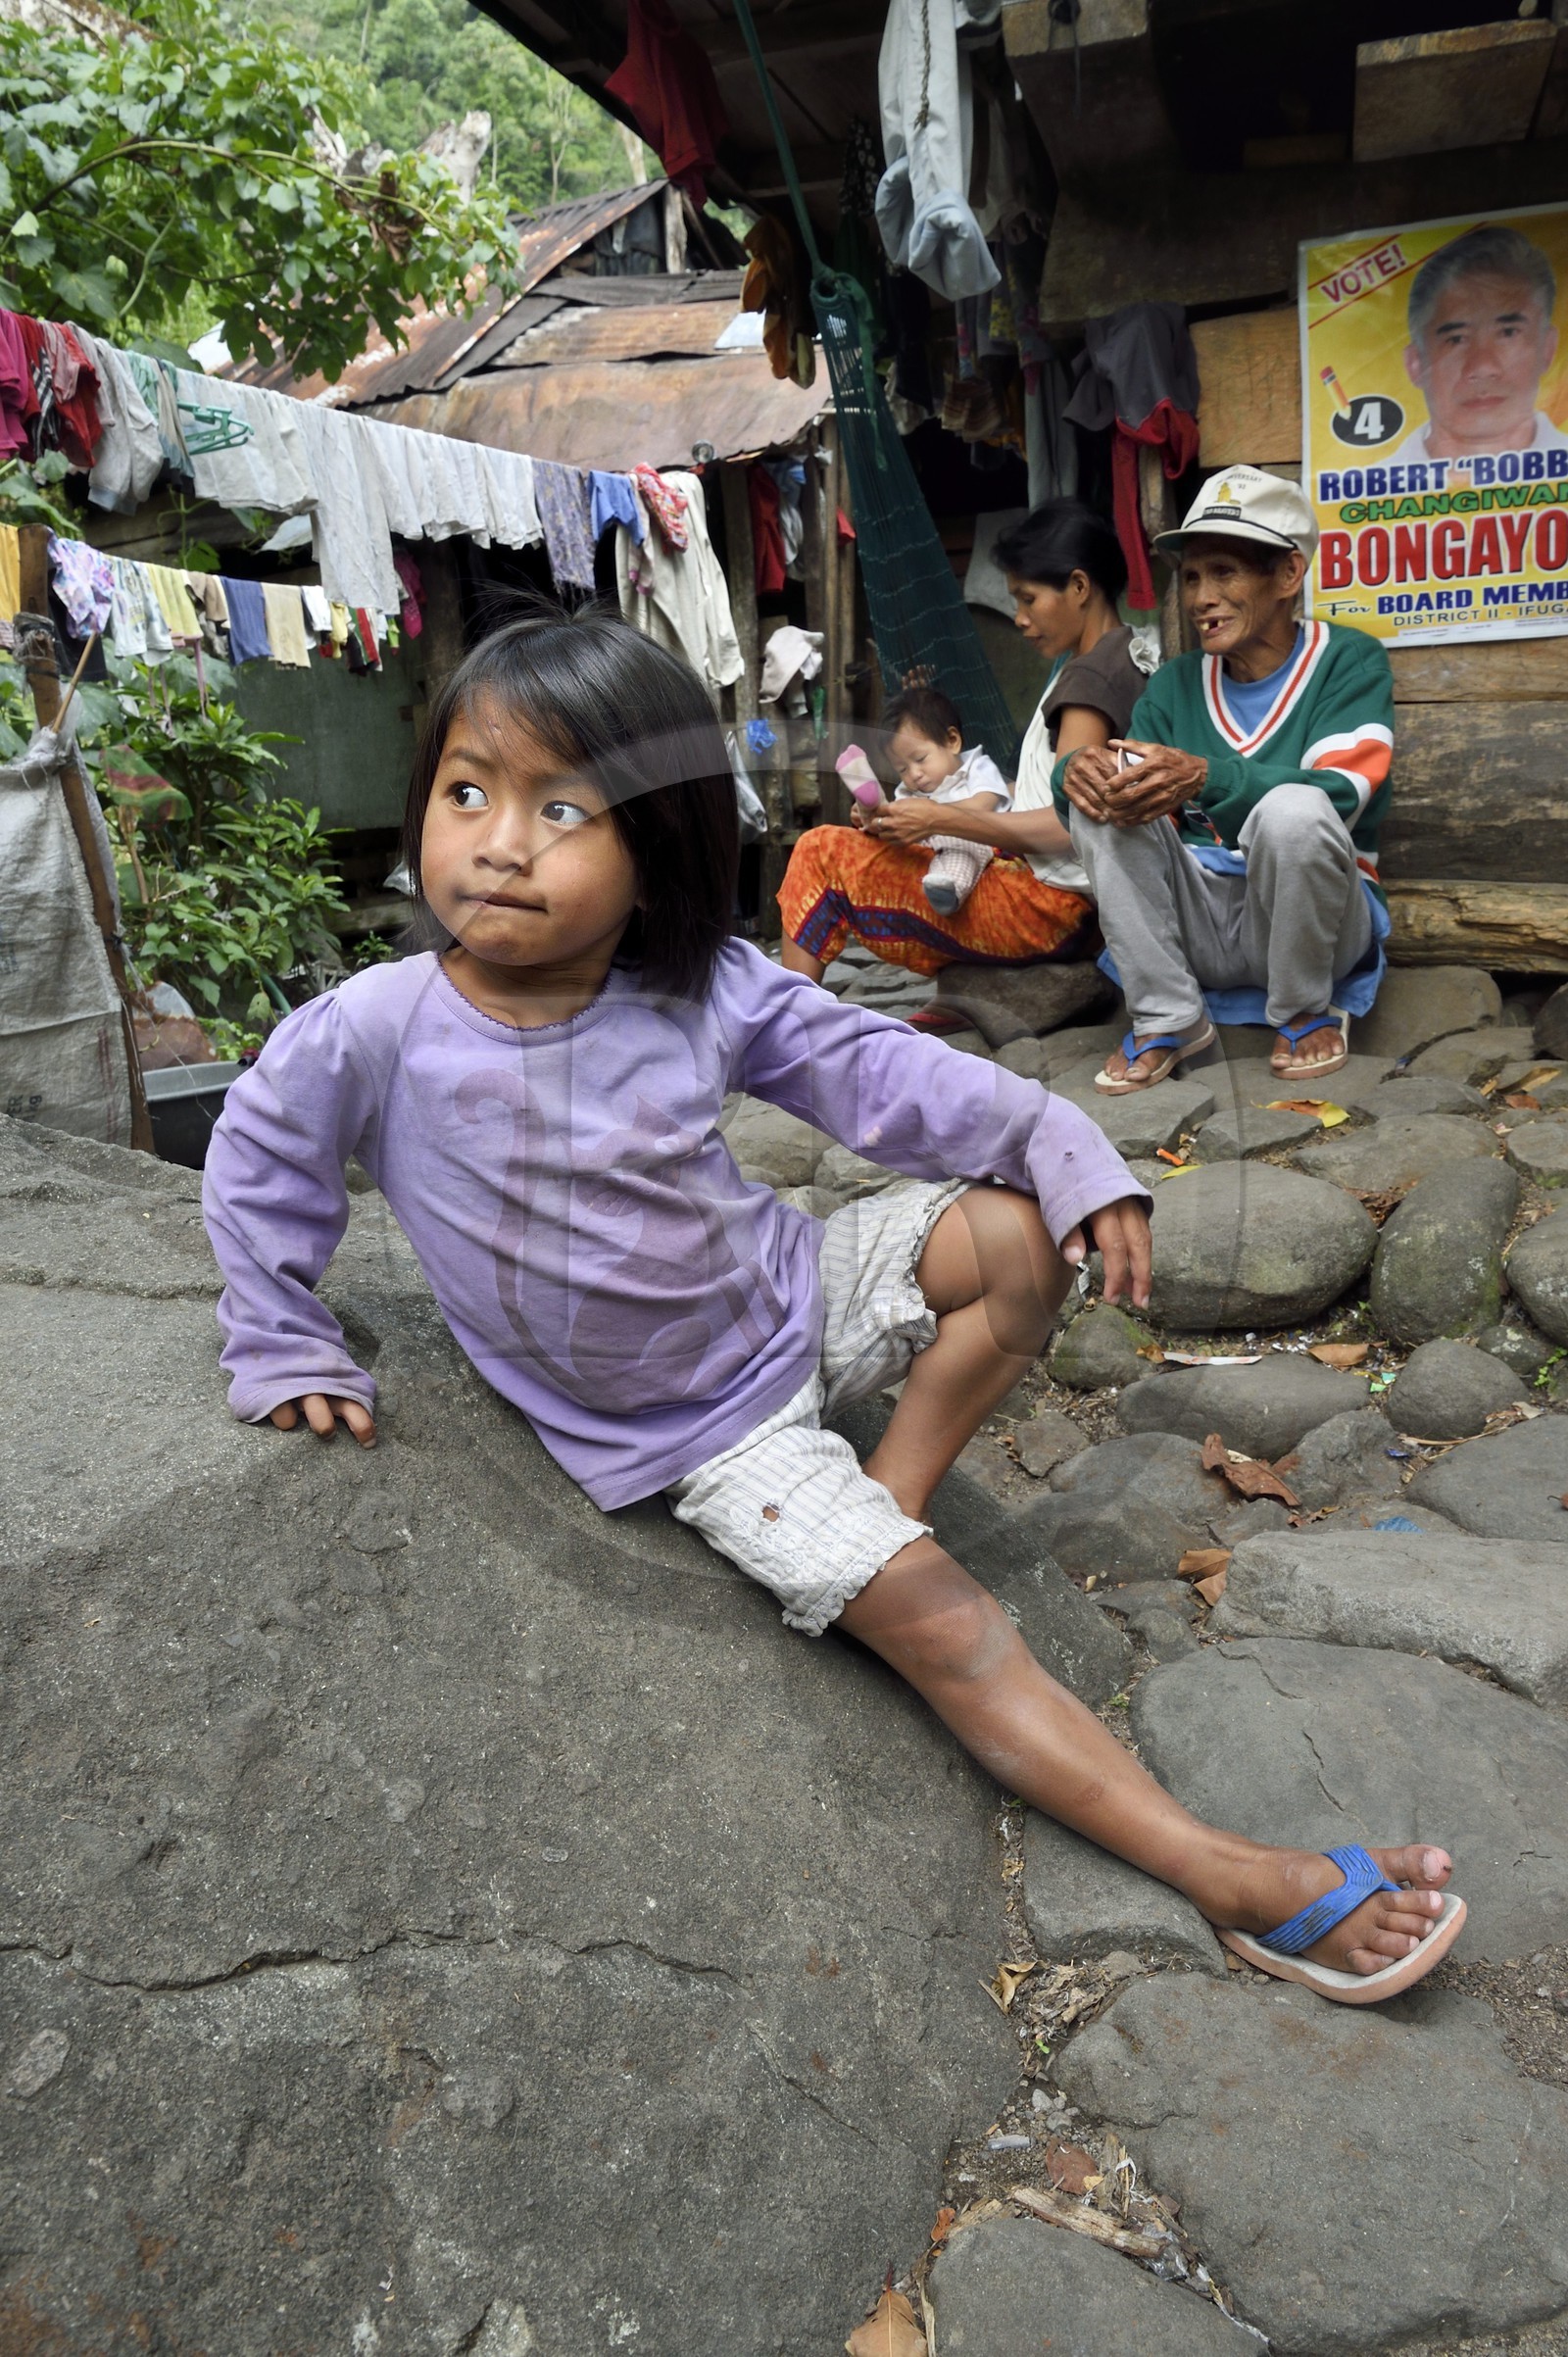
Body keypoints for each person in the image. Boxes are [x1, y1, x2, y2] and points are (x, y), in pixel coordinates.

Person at [201, 604, 1460, 2003]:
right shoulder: (377, 1028)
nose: (500, 840)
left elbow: (893, 1081)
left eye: (564, 807)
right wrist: (282, 1329)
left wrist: (1066, 1150)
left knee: (1021, 1235)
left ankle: (894, 1486)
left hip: (799, 1290)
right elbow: (256, 1157)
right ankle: (1221, 1870)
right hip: (704, 1436)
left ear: (659, 841)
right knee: (952, 1629)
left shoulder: (702, 987)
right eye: (467, 792)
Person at [1057, 466, 1394, 1094]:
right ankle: (1168, 1016)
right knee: (1106, 792)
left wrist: (1206, 777)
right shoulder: (1175, 684)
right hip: (1204, 928)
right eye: (1190, 577)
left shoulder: (1348, 661)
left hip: (1313, 928)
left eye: (1224, 572)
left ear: (1288, 575)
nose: (1199, 597)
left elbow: (1342, 795)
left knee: (1297, 809)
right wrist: (1077, 775)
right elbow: (1121, 788)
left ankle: (1302, 1009)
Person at [776, 500, 1148, 1006]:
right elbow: (1070, 798)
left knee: (821, 854)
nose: (1018, 618)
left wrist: (937, 819)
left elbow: (1067, 828)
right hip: (1073, 904)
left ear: (1080, 588)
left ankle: (787, 1023)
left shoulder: (1088, 681)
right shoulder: (1122, 653)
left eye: (1027, 599)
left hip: (1048, 909)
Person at [1393, 221, 1563, 466]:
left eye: (1508, 333)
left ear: (1547, 349)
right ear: (1416, 364)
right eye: (1456, 339)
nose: (1483, 366)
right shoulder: (1354, 498)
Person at [838, 685, 1011, 915]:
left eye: (920, 759)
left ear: (952, 741)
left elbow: (983, 806)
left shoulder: (977, 767)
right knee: (885, 837)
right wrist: (873, 817)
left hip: (979, 841)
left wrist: (931, 814)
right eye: (902, 769)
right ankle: (867, 797)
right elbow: (898, 819)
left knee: (961, 847)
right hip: (925, 852)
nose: (914, 774)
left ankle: (947, 891)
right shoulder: (910, 790)